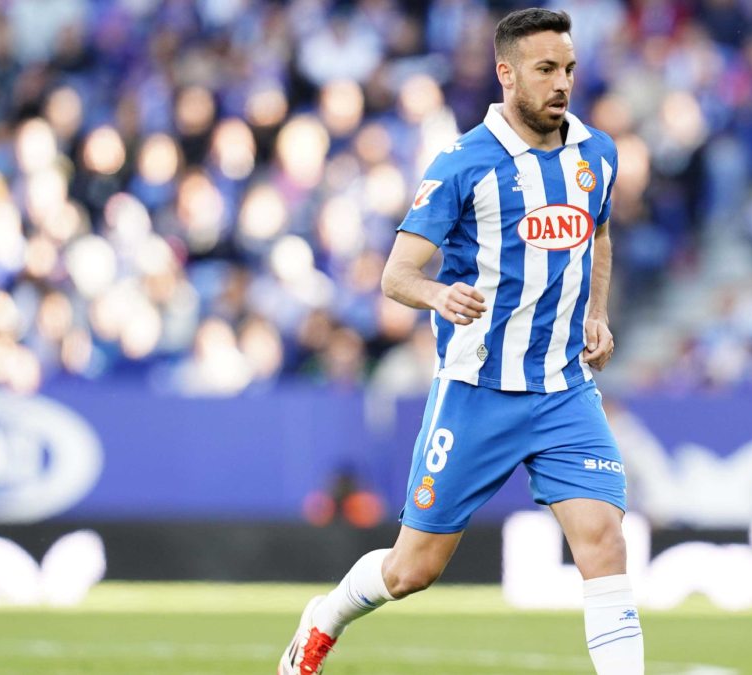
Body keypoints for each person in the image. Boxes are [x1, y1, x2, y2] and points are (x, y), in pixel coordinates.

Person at [278, 7, 644, 675]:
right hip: (477, 393)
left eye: (567, 68)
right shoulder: (463, 164)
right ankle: (324, 617)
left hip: (564, 389)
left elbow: (599, 232)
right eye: (544, 70)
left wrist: (597, 312)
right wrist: (439, 294)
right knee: (413, 567)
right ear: (506, 74)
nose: (561, 83)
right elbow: (397, 275)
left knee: (604, 542)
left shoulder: (597, 153)